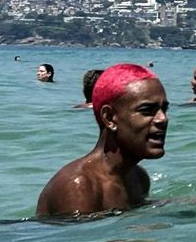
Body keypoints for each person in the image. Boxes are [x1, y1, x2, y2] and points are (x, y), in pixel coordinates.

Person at [36, 64, 169, 217]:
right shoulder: (80, 187)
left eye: (164, 109)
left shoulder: (138, 178)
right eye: (146, 110)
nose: (162, 119)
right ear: (110, 118)